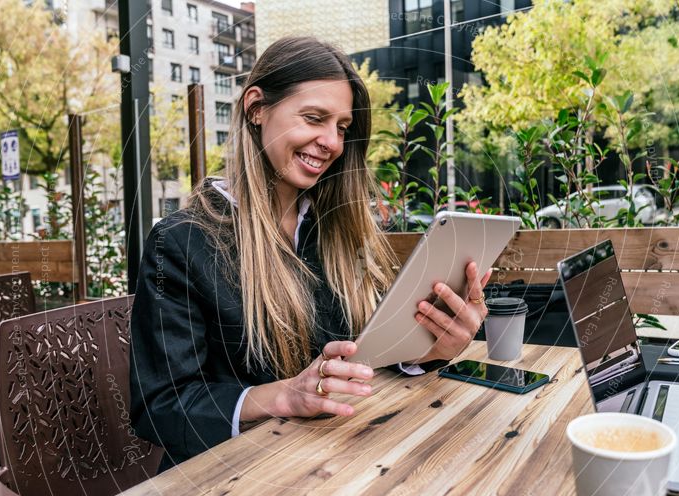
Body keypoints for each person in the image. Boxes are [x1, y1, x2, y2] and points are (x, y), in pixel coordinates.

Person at [129, 37, 491, 472]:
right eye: (314, 118)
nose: (332, 142)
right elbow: (161, 405)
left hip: (337, 462)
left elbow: (358, 358)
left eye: (341, 127)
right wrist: (282, 396)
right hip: (230, 486)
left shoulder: (337, 230)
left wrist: (427, 351)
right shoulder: (182, 241)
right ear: (256, 108)